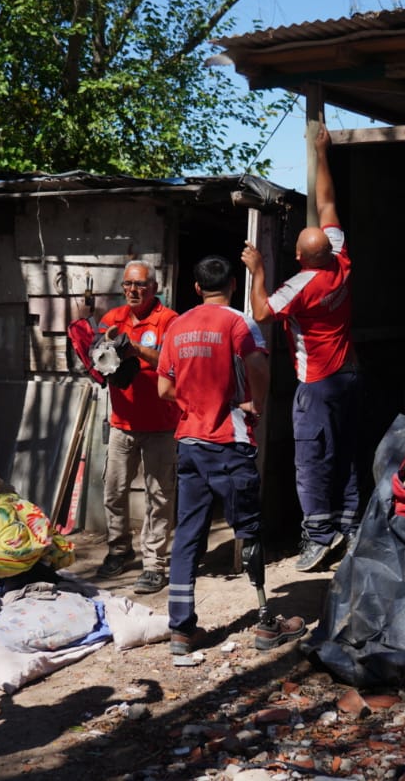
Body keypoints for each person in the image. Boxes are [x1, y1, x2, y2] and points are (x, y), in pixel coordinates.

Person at [156, 255, 306, 655]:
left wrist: (192, 405)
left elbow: (163, 390)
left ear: (196, 287)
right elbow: (257, 365)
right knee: (249, 530)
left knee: (188, 534)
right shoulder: (239, 322)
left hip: (189, 443)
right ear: (233, 287)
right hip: (230, 443)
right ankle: (264, 623)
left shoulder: (177, 326)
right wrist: (254, 403)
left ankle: (181, 630)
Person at [241, 122, 359, 572]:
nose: (293, 253)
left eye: (295, 251)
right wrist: (322, 152)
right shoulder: (340, 261)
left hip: (317, 383)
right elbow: (327, 202)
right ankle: (348, 525)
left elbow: (262, 314)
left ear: (303, 259)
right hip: (348, 375)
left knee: (310, 459)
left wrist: (256, 271)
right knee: (344, 451)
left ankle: (319, 536)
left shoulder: (301, 286)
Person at [95, 259, 180, 594]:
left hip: (160, 425)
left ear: (154, 288)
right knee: (113, 492)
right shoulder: (112, 319)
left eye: (140, 285)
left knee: (159, 497)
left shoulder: (169, 320)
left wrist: (136, 351)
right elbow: (100, 359)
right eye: (128, 285)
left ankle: (154, 564)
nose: (133, 290)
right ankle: (119, 550)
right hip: (121, 423)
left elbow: (170, 363)